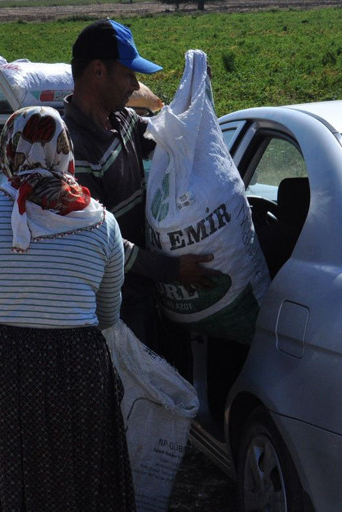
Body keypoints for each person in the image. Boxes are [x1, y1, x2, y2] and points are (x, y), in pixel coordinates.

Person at [0, 106, 134, 512]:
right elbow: (108, 314)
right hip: (78, 367)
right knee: (79, 482)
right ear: (65, 150)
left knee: (5, 481)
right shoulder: (103, 222)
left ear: (8, 150)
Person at [63, 18, 220, 369]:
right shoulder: (73, 150)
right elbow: (98, 239)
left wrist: (197, 102)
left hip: (149, 292)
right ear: (98, 72)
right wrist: (172, 269)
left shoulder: (121, 121)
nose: (135, 85)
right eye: (128, 75)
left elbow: (168, 139)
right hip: (114, 307)